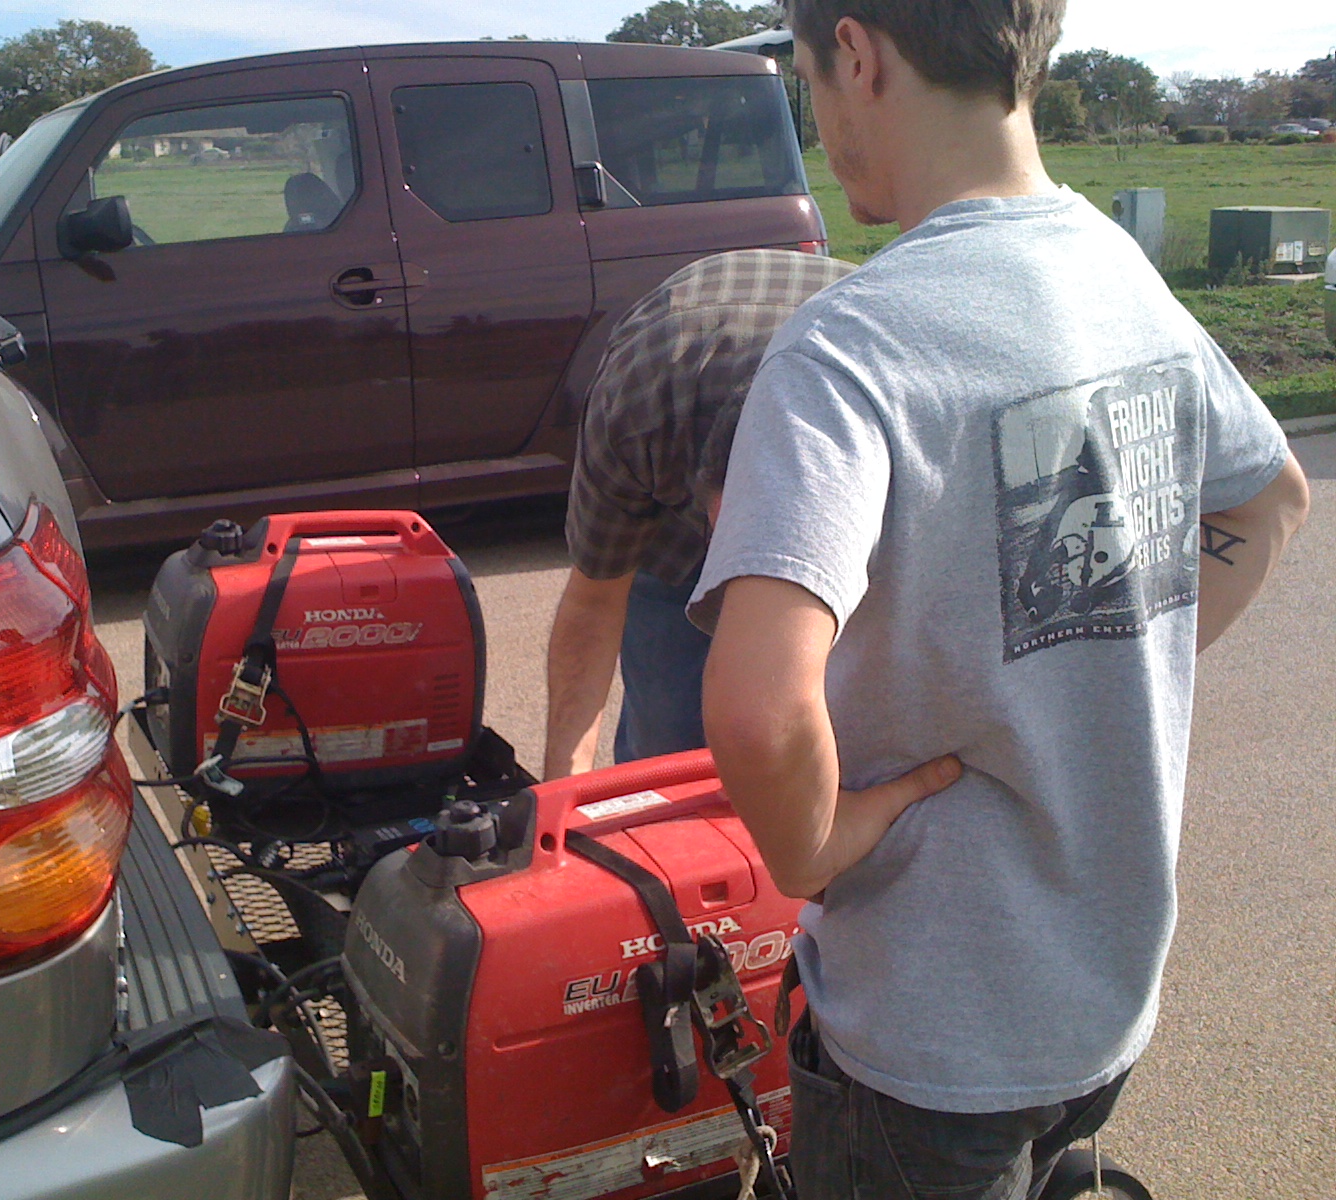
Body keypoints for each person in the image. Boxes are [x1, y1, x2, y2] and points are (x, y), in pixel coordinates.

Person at [689, 1, 1312, 1197]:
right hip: (1104, 998)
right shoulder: (1115, 269)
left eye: (810, 83)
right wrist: (1106, 660)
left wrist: (811, 848)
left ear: (857, 55)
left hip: (928, 1036)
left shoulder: (847, 349)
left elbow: (759, 709)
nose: (820, 124)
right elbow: (1271, 499)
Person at [542, 249, 855, 780]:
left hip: (842, 488)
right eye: (726, 536)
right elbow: (594, 605)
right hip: (673, 509)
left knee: (831, 729)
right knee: (666, 740)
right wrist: (560, 796)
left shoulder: (892, 414)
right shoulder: (642, 407)